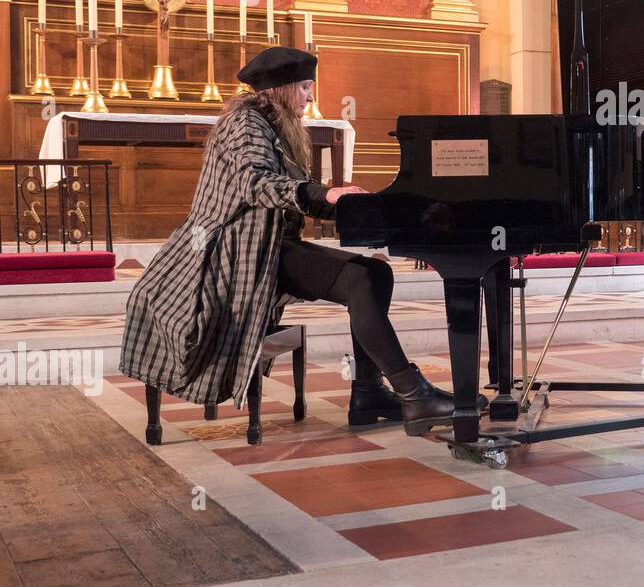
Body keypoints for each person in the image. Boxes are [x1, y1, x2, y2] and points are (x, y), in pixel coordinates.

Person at [120, 46, 455, 435]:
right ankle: (413, 393)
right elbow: (256, 184)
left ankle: (369, 393)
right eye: (306, 87)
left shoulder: (271, 125)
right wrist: (326, 195)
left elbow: (294, 192)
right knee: (362, 280)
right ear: (282, 88)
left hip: (265, 246)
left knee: (377, 273)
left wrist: (356, 204)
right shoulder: (245, 124)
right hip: (232, 254)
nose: (311, 97)